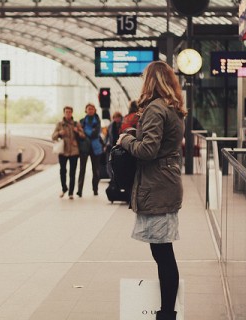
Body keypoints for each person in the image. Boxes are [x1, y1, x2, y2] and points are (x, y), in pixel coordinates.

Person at [117, 61, 186, 320]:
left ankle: (167, 313)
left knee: (163, 254)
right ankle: (166, 310)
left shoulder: (156, 109)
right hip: (165, 182)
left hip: (157, 185)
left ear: (151, 81)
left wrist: (126, 139)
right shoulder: (173, 108)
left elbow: (148, 151)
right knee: (163, 252)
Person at [52, 106, 85, 200]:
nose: (68, 114)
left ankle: (71, 192)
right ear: (64, 113)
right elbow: (53, 137)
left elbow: (83, 136)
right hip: (63, 151)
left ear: (72, 113)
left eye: (69, 112)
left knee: (72, 172)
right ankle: (64, 188)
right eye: (66, 112)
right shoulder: (59, 124)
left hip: (74, 151)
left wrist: (77, 132)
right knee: (62, 171)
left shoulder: (76, 124)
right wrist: (59, 133)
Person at [77, 103, 103, 197]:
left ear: (95, 110)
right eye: (89, 109)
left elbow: (95, 134)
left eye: (92, 109)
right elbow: (78, 134)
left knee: (95, 170)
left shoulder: (98, 121)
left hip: (95, 148)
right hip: (84, 148)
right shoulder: (82, 121)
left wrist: (84, 131)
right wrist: (89, 131)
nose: (90, 110)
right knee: (82, 169)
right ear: (86, 110)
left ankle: (95, 189)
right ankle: (79, 190)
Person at [105, 111, 123, 179]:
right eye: (115, 117)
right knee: (109, 163)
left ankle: (118, 177)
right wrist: (106, 144)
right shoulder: (110, 125)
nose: (116, 119)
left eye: (118, 117)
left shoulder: (123, 125)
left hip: (120, 147)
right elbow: (107, 136)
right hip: (111, 146)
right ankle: (112, 177)